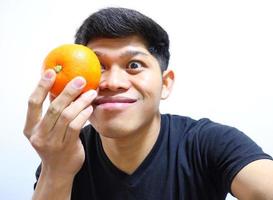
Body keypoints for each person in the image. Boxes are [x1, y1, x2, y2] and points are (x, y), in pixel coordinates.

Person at [24, 7, 273, 200]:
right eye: (98, 67)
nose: (113, 82)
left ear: (165, 84)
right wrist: (56, 168)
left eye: (134, 65)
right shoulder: (64, 153)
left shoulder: (207, 143)